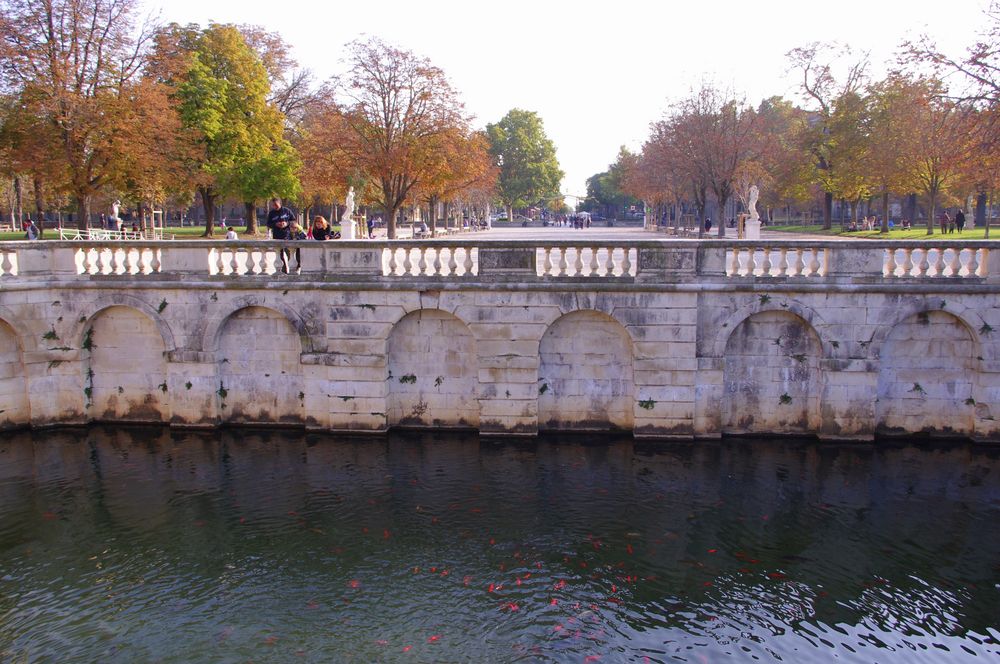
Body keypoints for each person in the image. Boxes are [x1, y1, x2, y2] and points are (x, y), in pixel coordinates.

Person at [266, 197, 295, 273]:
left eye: (276, 205)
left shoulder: (287, 211)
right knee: (280, 255)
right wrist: (275, 224)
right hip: (277, 236)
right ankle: (283, 271)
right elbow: (268, 224)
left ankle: (293, 270)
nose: (274, 206)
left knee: (289, 254)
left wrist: (286, 223)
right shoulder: (271, 213)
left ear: (280, 203)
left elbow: (293, 221)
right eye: (273, 205)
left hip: (287, 236)